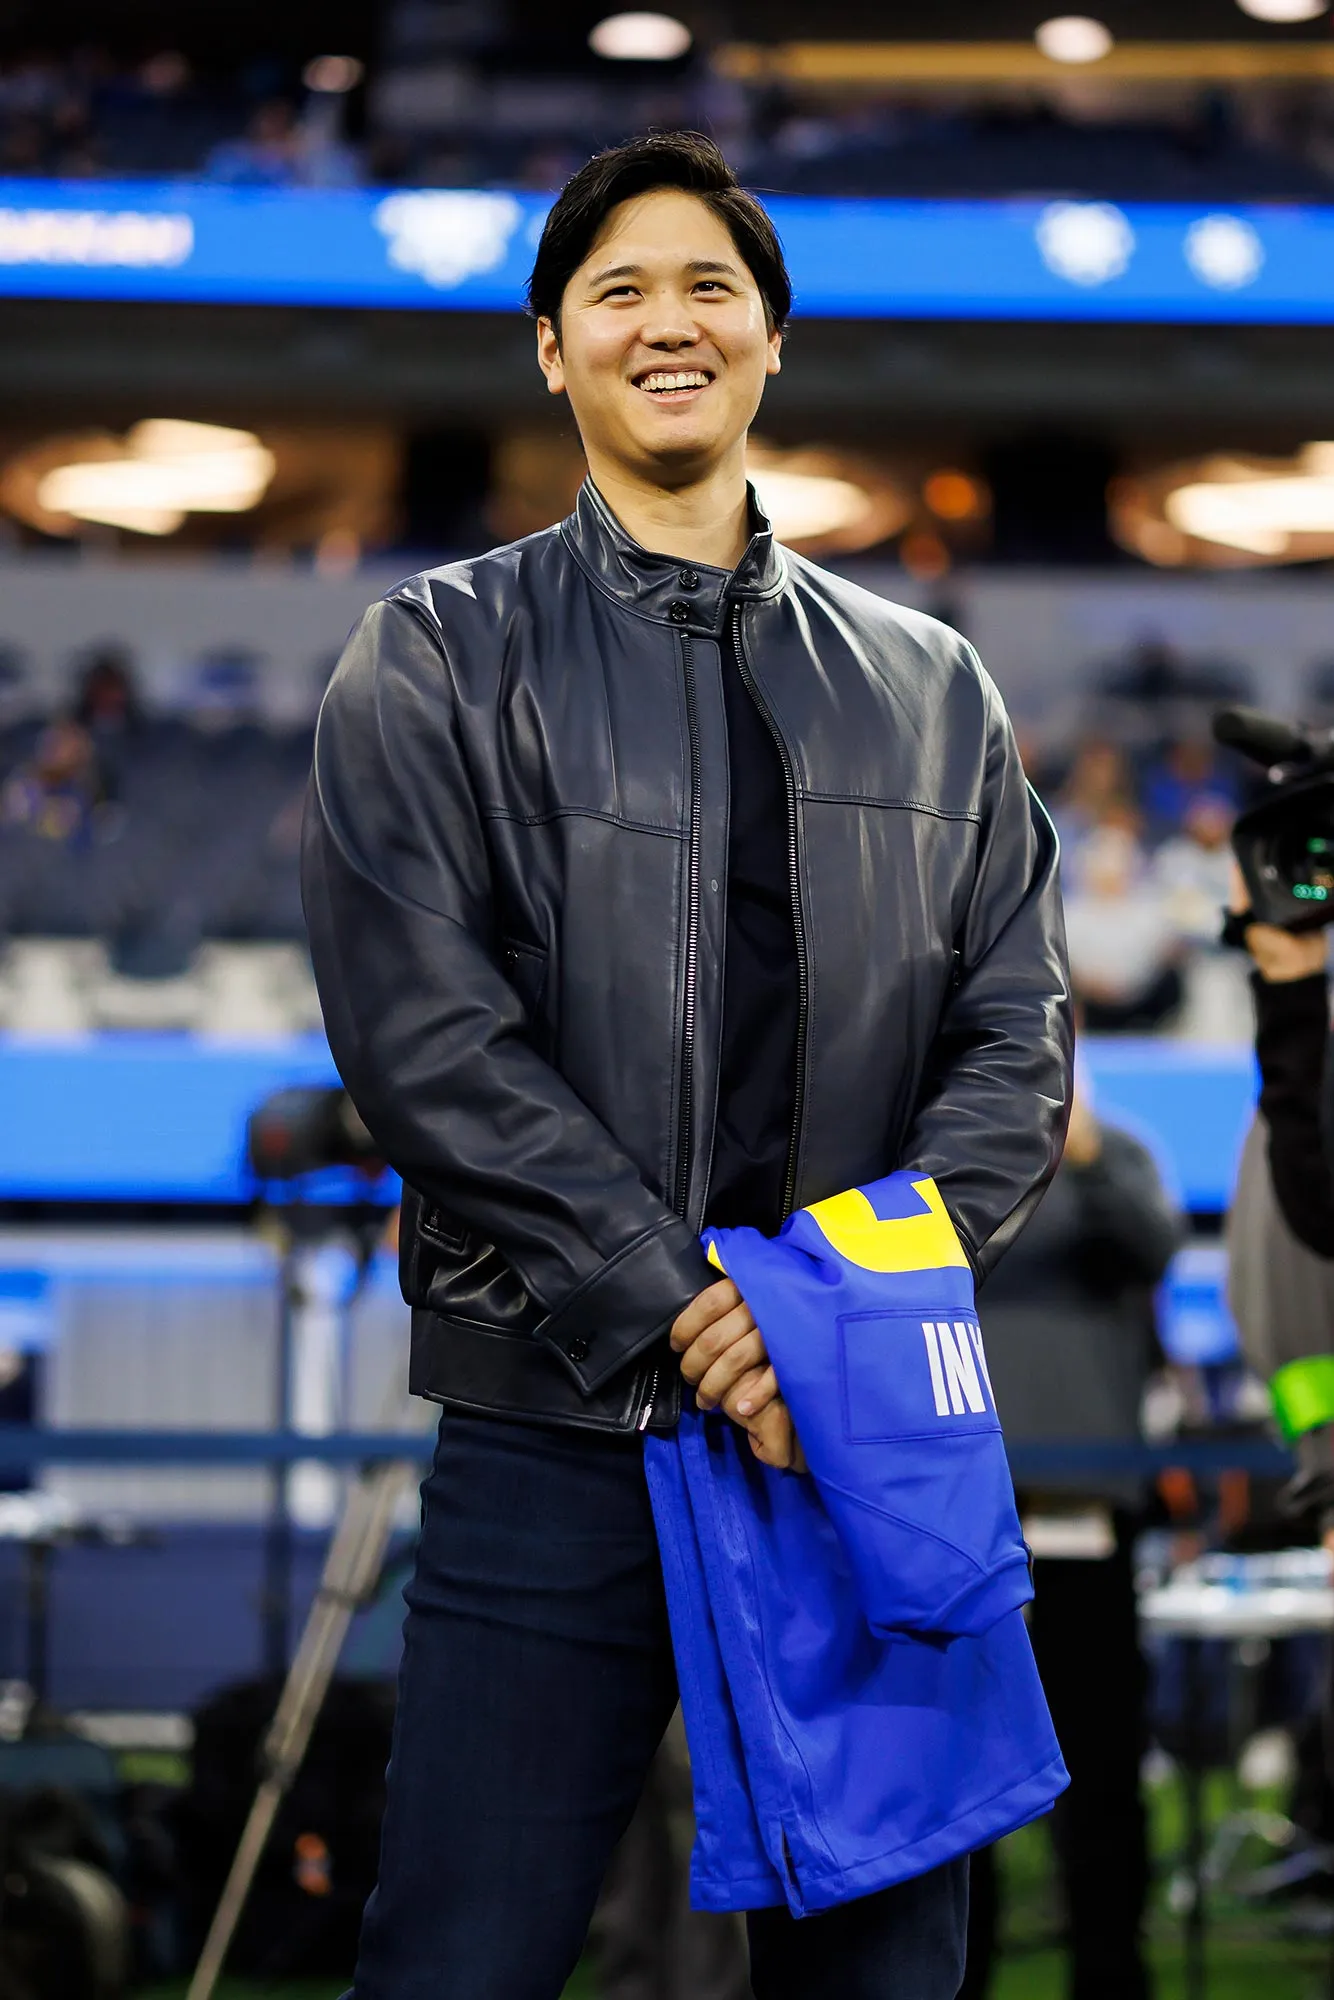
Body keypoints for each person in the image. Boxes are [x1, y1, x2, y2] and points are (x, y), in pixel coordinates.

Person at [301, 131, 1072, 2000]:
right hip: (554, 1423)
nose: (669, 322)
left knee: (882, 1974)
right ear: (549, 348)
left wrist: (823, 1312)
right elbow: (425, 1045)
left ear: (770, 340)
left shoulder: (932, 687)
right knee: (459, 1965)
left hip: (851, 1424)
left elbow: (1016, 1037)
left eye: (709, 287)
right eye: (619, 290)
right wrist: (689, 1307)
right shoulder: (431, 659)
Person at [959, 1081, 1182, 2000]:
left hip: (1084, 1507)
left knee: (1100, 1754)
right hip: (963, 1513)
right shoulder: (945, 1152)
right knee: (960, 1766)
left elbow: (1154, 1247)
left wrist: (1081, 1151)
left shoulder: (1110, 1152)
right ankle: (957, 1970)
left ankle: (1110, 1969)